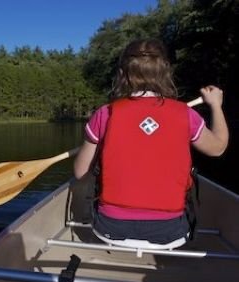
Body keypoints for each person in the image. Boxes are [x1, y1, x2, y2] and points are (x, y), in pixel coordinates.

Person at [73, 38, 229, 245]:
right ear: (166, 73)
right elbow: (218, 148)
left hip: (111, 228)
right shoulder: (185, 115)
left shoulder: (105, 114)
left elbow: (80, 172)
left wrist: (95, 143)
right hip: (170, 231)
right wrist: (216, 105)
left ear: (121, 74)